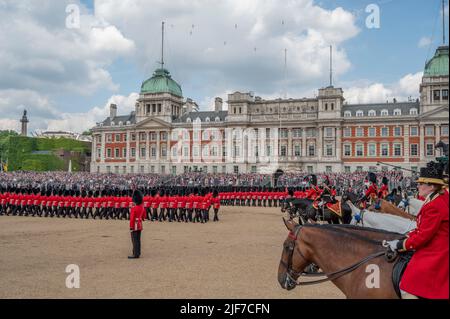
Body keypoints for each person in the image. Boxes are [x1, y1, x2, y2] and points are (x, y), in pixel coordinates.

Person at [384, 161, 449, 299]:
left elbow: (423, 237)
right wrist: (407, 236)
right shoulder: (438, 198)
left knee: (407, 287)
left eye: (421, 183)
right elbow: (423, 228)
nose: (417, 185)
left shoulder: (434, 206)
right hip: (440, 245)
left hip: (437, 252)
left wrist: (400, 244)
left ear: (431, 186)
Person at [128, 190, 145, 259]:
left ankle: (135, 254)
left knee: (134, 239)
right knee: (138, 239)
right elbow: (144, 215)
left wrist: (131, 227)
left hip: (134, 224)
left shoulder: (134, 208)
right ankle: (138, 252)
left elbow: (132, 218)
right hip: (140, 224)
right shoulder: (142, 207)